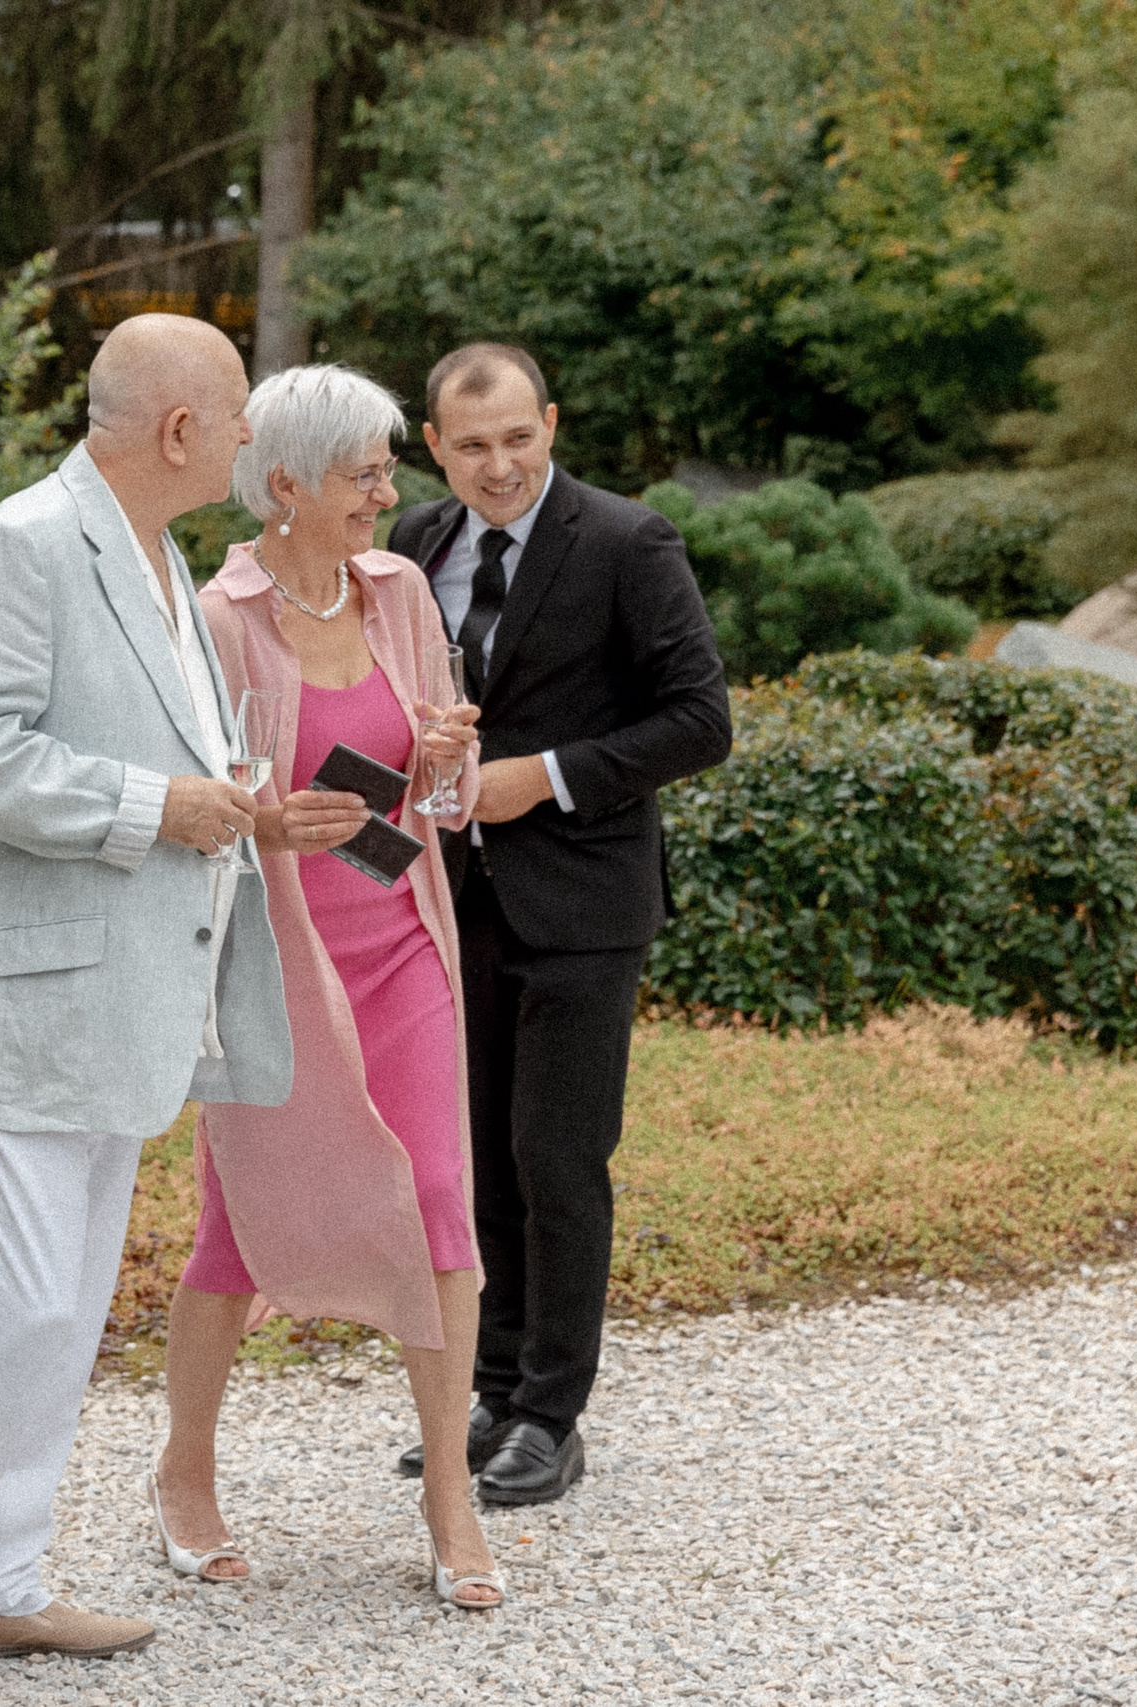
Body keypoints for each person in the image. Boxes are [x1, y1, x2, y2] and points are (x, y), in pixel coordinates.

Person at [0, 315, 294, 1705]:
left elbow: (154, 748)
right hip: (22, 1001)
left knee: (68, 1309)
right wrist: (155, 805)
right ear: (181, 430)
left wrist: (232, 801)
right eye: (239, 414)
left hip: (121, 997)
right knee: (23, 1300)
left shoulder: (158, 554)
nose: (250, 436)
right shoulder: (26, 542)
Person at [153, 363, 500, 1608]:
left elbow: (438, 801)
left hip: (400, 941)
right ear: (286, 484)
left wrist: (446, 757)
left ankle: (449, 1500)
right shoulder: (214, 618)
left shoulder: (398, 591)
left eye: (385, 470)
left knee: (440, 1196)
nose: (386, 494)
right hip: (275, 965)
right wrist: (261, 821)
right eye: (364, 473)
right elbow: (186, 803)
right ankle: (183, 1473)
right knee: (238, 1227)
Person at [384, 344, 729, 1505]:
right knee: (478, 1155)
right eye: (473, 445)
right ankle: (490, 1391)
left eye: (519, 439)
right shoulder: (414, 543)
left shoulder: (629, 543)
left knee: (557, 1160)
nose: (500, 466)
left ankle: (551, 1415)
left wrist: (540, 778)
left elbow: (700, 721)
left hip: (583, 902)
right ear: (435, 447)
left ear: (551, 425)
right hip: (452, 899)